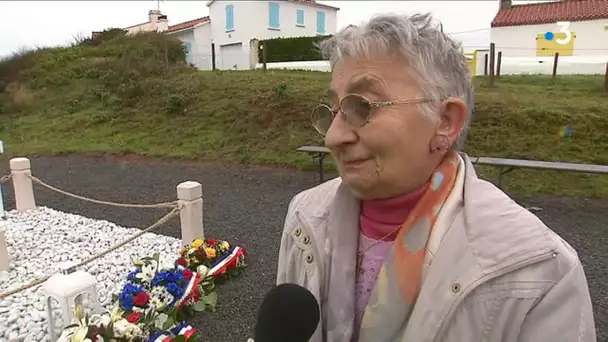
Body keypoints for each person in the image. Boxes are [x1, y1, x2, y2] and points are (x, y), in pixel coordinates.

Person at [276, 13, 596, 342]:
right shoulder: (305, 214)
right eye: (332, 111)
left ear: (445, 121)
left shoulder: (537, 267)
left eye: (362, 106)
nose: (332, 137)